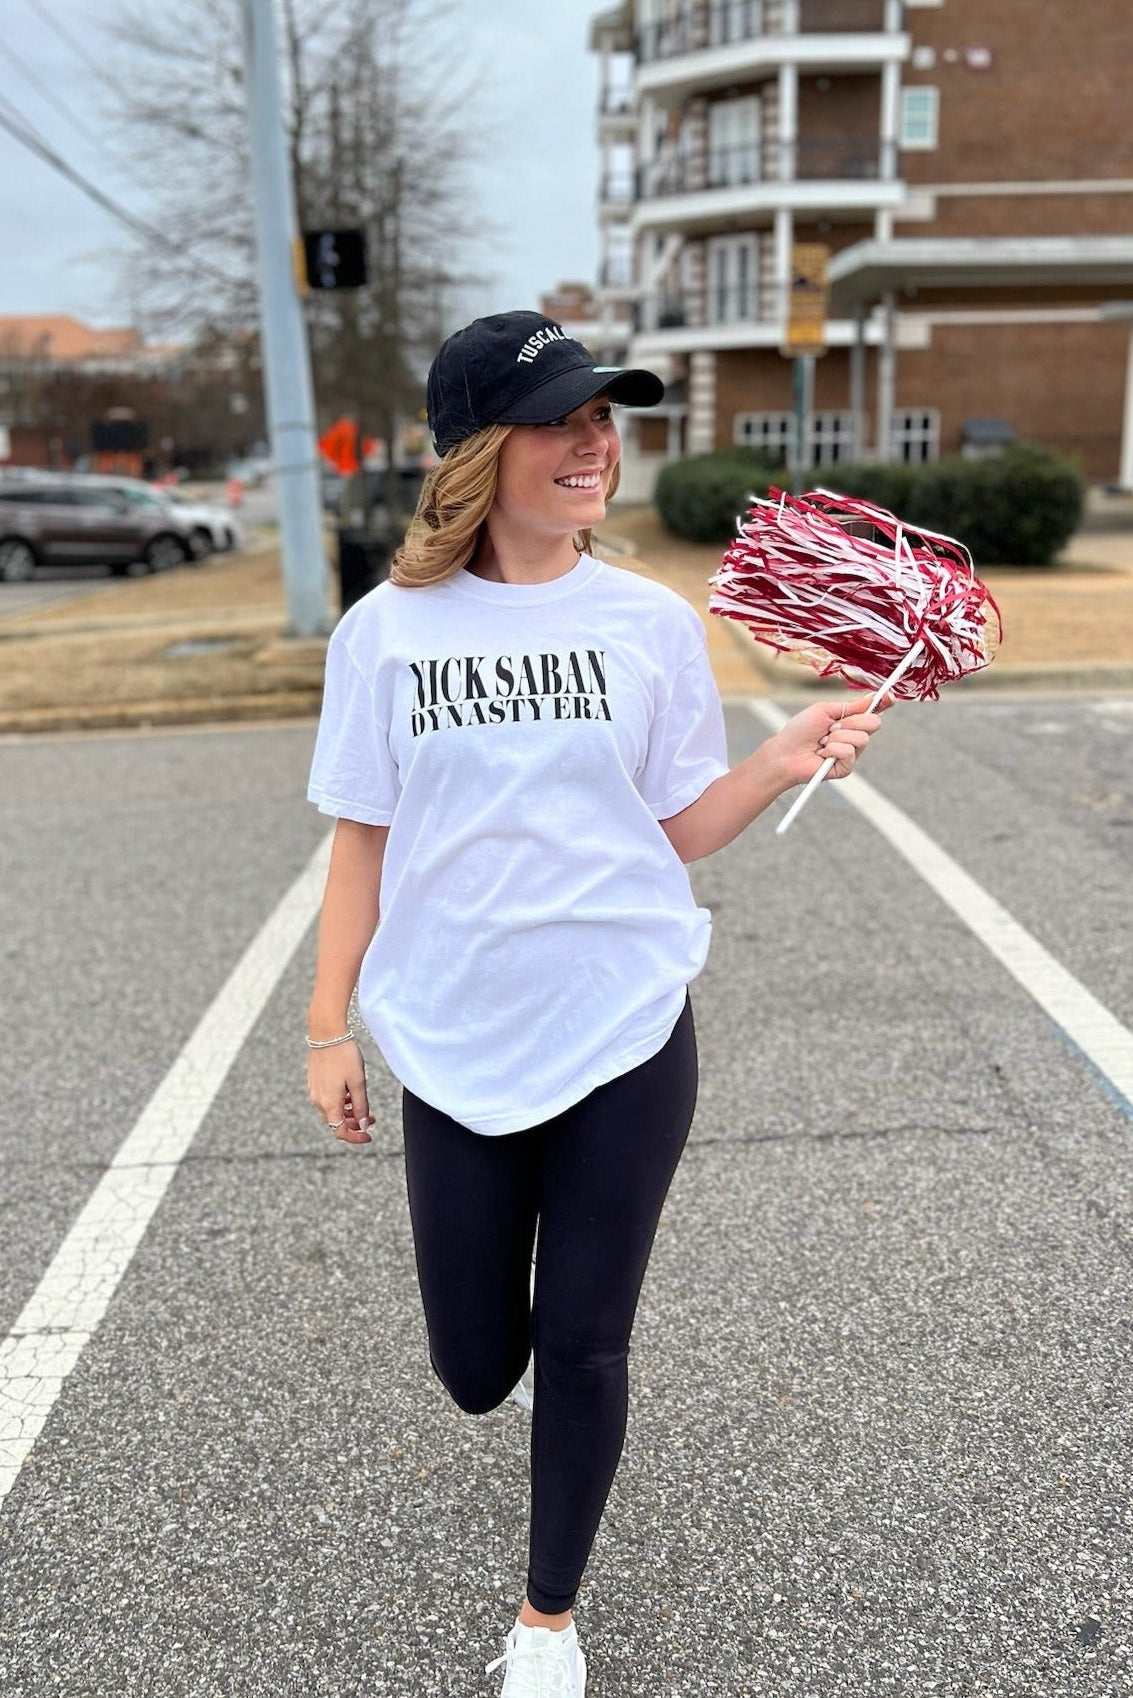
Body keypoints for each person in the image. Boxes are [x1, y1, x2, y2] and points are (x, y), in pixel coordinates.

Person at [305, 310, 887, 1696]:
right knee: (469, 1364)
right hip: (451, 1032)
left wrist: (785, 752)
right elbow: (360, 839)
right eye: (560, 417)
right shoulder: (386, 632)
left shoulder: (646, 622)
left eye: (603, 417)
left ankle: (546, 1620)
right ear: (475, 452)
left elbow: (675, 824)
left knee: (581, 1336)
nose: (592, 441)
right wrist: (328, 1022)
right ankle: (527, 1493)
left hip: (623, 1022)